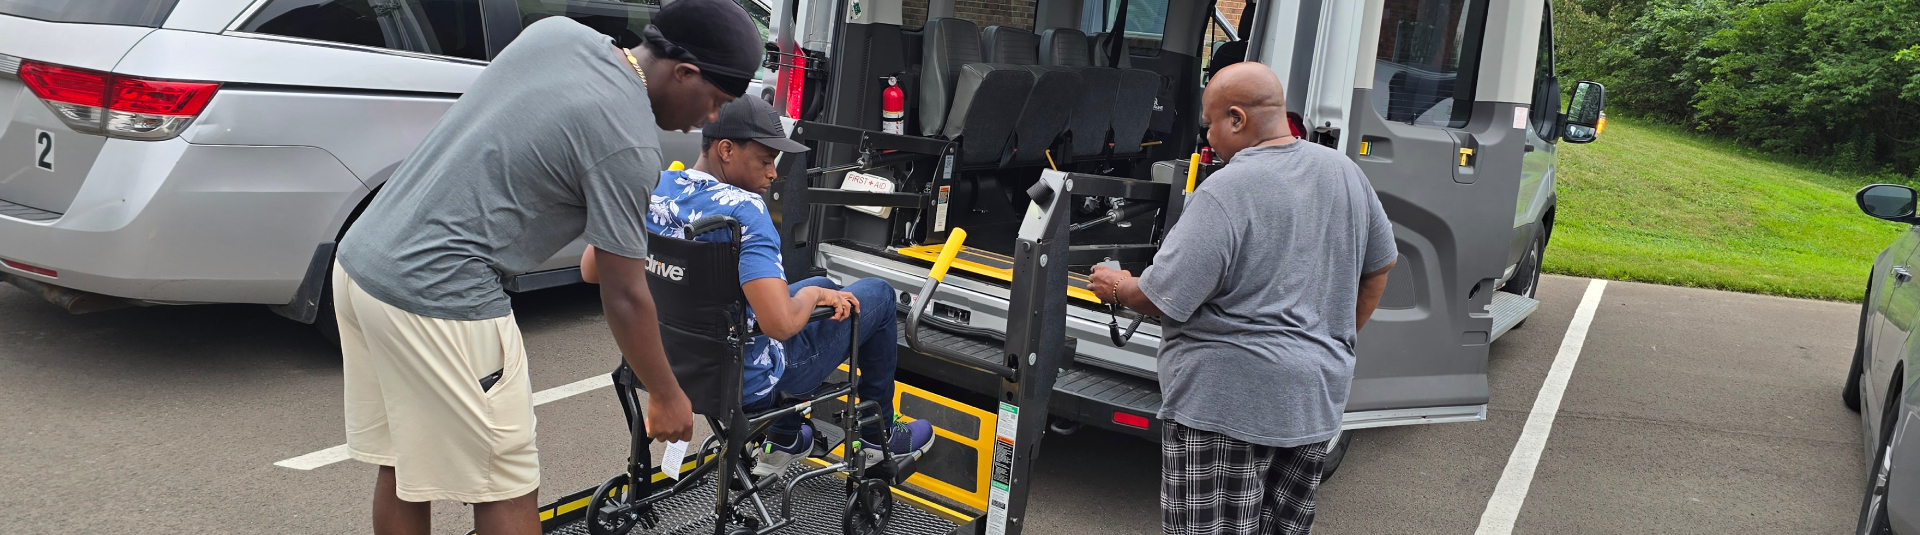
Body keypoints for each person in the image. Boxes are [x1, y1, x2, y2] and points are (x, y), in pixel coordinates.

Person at [330, 1, 765, 532]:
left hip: (361, 264)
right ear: (684, 72)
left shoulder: (556, 34)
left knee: (402, 465)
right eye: (716, 99)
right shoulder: (628, 142)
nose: (714, 117)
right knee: (507, 487)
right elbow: (623, 292)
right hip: (442, 293)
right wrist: (668, 394)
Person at [1089, 63, 1397, 535]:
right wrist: (1332, 339)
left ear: (1237, 119)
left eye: (1209, 124)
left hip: (1224, 406)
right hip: (1311, 401)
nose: (1206, 139)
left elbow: (1163, 296)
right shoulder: (1344, 173)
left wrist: (1116, 284)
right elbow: (1380, 265)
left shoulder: (1227, 189)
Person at [579, 96, 935, 480]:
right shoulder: (745, 211)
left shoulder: (655, 186)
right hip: (742, 381)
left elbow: (591, 269)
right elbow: (780, 326)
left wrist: (815, 290)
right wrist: (814, 297)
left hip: (662, 365)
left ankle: (783, 438)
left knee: (818, 282)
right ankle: (874, 434)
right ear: (727, 150)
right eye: (765, 161)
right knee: (877, 295)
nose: (773, 174)